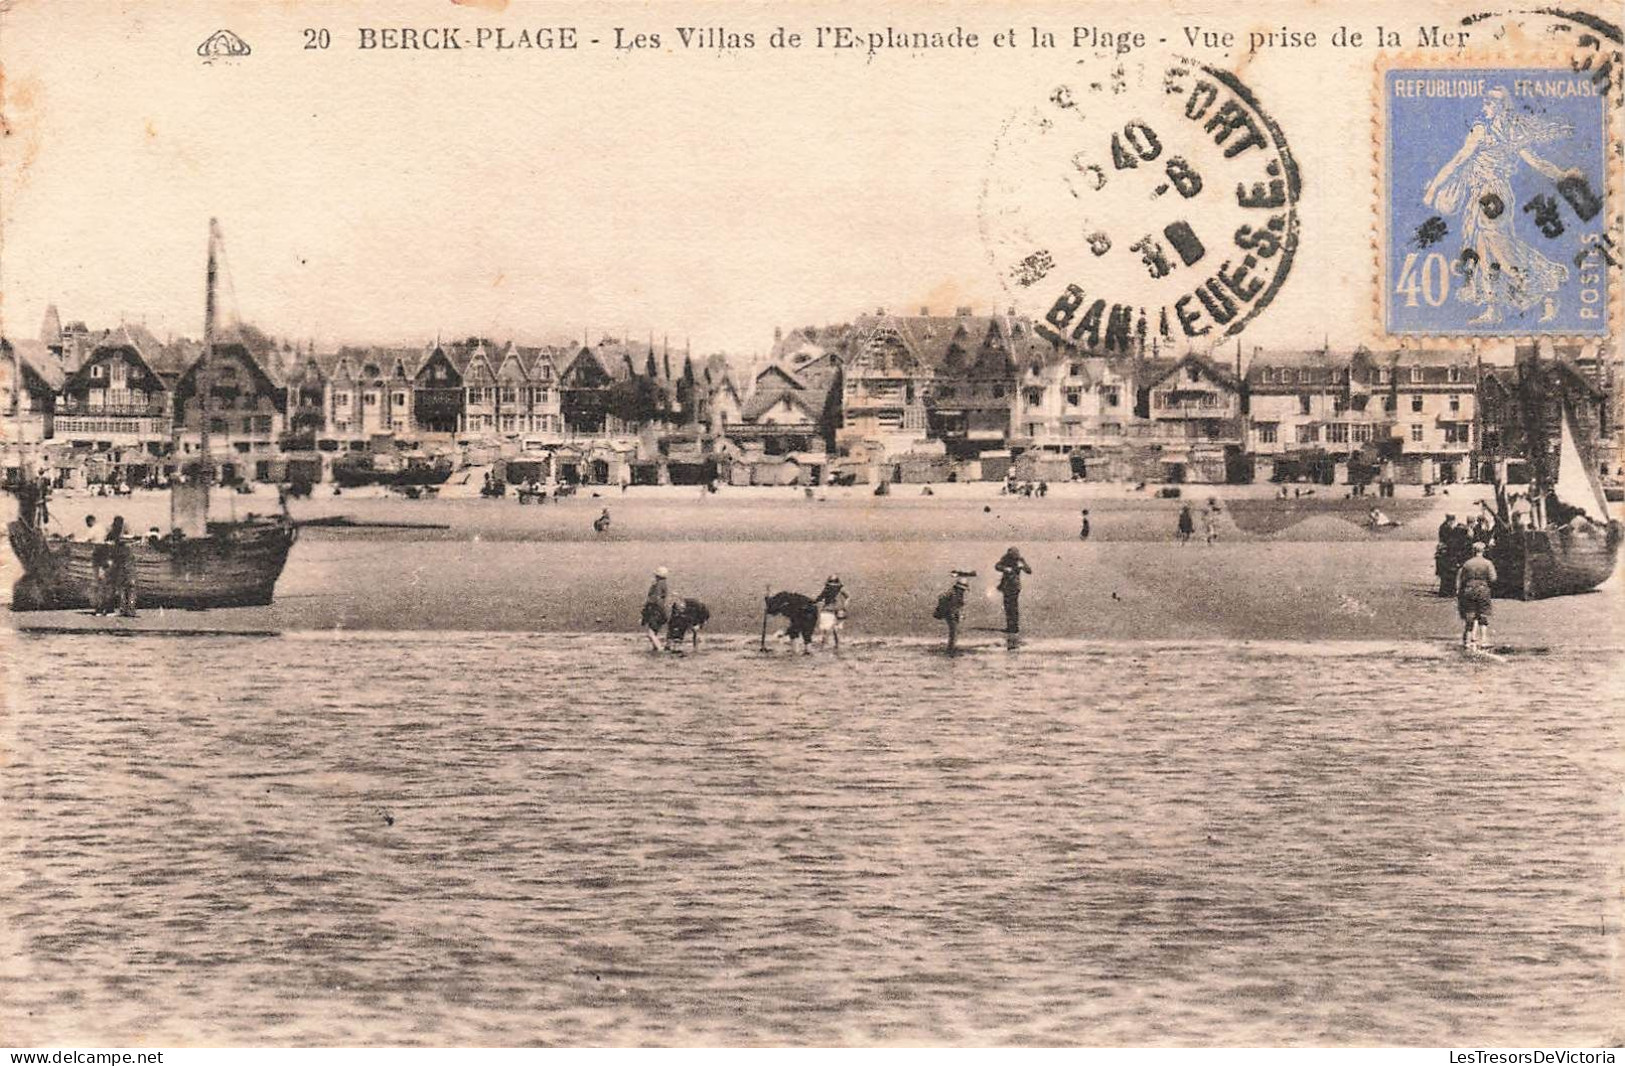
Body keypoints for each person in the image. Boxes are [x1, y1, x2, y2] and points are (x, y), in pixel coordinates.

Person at [1456, 541, 1498, 650]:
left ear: (1473, 551)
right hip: (1482, 589)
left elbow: (1461, 578)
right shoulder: (1488, 563)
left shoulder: (1467, 564)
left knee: (1470, 615)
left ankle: (1467, 640)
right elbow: (1493, 578)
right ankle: (1483, 639)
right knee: (1483, 614)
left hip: (1468, 589)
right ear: (1483, 551)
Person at [994, 546, 1031, 635]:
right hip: (1006, 586)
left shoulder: (1020, 560)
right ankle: (1011, 627)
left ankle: (1014, 627)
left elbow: (1029, 571)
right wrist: (1005, 568)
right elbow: (997, 566)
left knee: (1013, 607)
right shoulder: (1005, 559)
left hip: (1014, 586)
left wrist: (1022, 566)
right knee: (1008, 607)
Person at [108, 516, 137, 618]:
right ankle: (129, 609)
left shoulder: (119, 540)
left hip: (124, 564)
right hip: (126, 563)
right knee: (128, 587)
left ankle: (126, 609)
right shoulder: (126, 542)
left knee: (125, 587)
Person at [813, 575, 850, 650]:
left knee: (826, 629)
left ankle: (824, 646)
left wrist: (813, 602)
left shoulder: (827, 589)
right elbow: (848, 597)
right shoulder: (840, 589)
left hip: (828, 610)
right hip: (839, 610)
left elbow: (819, 598)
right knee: (835, 629)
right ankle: (837, 645)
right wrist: (845, 606)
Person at [934, 576, 970, 653]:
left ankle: (951, 647)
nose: (963, 591)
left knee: (954, 631)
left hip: (951, 613)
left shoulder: (953, 592)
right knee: (954, 631)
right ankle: (951, 648)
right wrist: (955, 614)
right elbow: (953, 605)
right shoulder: (954, 594)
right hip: (950, 614)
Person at [642, 566, 670, 651]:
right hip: (660, 610)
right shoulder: (664, 584)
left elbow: (655, 599)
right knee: (655, 632)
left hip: (655, 611)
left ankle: (659, 648)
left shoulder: (657, 585)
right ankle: (656, 648)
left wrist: (646, 609)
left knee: (651, 633)